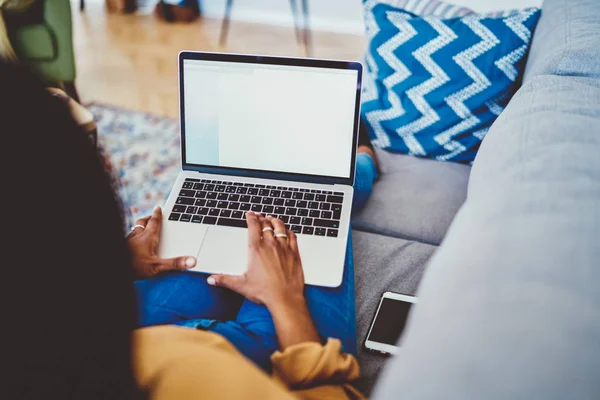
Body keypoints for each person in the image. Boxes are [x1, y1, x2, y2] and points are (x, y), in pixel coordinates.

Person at [1, 61, 366, 399]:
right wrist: (288, 304)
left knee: (225, 180)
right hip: (242, 352)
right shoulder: (198, 383)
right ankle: (360, 162)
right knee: (313, 208)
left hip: (124, 333)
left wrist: (112, 267)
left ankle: (354, 164)